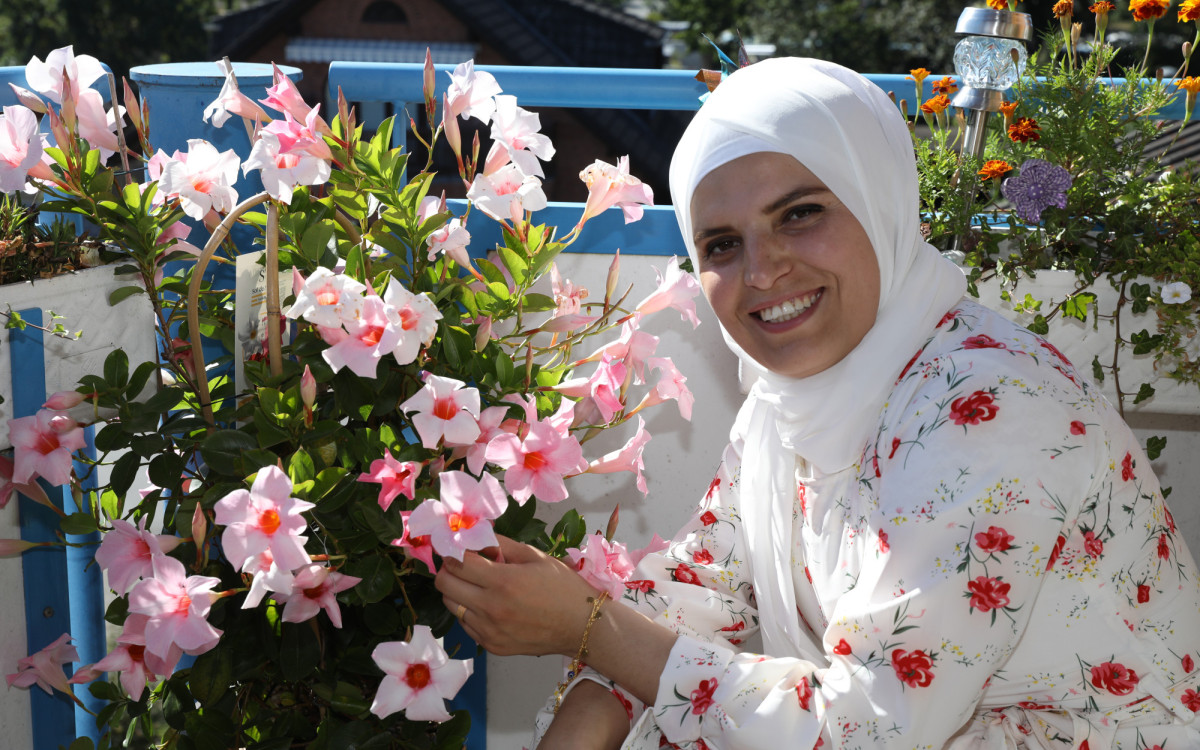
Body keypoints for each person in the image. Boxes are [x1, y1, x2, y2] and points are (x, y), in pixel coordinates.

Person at [434, 57, 1200, 749]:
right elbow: (707, 585)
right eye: (723, 245)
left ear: (880, 204)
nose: (763, 271)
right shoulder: (794, 397)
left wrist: (588, 626)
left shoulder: (992, 416)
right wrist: (587, 708)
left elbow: (863, 731)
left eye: (800, 213)